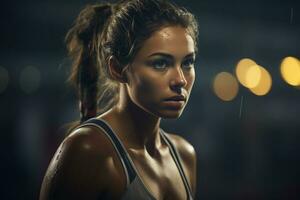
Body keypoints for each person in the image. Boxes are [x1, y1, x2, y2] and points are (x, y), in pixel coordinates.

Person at [39, 0, 199, 199]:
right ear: (117, 69)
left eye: (187, 63)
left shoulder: (184, 155)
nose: (180, 80)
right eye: (160, 63)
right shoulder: (89, 152)